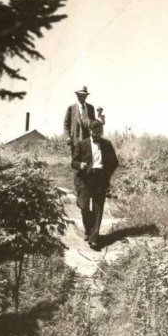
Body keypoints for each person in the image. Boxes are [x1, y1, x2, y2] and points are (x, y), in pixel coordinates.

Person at [71, 119, 119, 250]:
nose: (94, 134)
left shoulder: (107, 144)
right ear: (89, 131)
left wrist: (106, 174)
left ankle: (94, 238)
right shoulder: (82, 144)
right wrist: (80, 165)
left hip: (100, 179)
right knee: (83, 206)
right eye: (92, 131)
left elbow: (114, 162)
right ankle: (90, 230)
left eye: (97, 132)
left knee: (98, 208)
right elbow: (73, 162)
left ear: (101, 131)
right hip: (84, 179)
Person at [63, 86, 105, 156]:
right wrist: (67, 136)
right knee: (76, 162)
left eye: (84, 96)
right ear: (77, 96)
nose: (82, 98)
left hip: (89, 139)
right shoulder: (71, 108)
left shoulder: (91, 108)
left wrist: (100, 118)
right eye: (80, 96)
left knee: (89, 161)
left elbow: (93, 124)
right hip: (75, 140)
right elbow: (66, 124)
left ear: (86, 96)